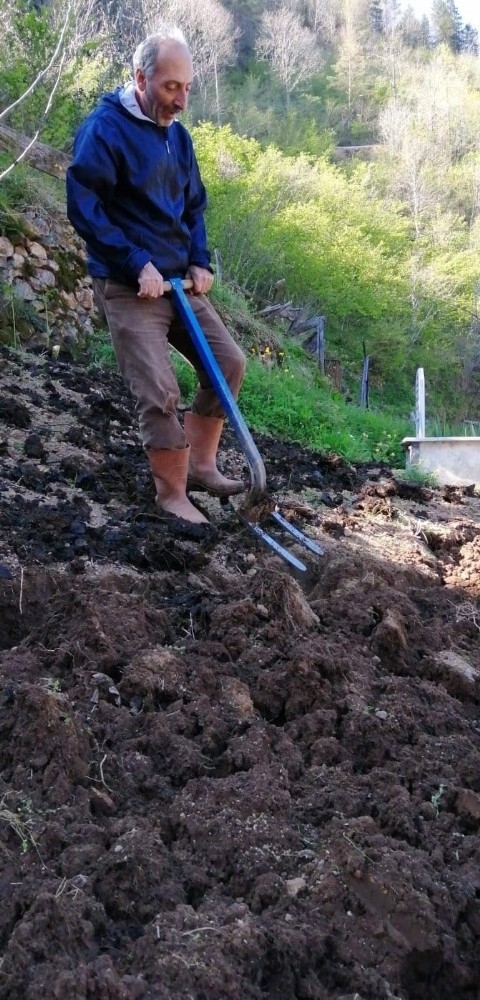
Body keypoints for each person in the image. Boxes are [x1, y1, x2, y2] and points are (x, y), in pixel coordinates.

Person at [66, 26, 246, 527]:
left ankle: (203, 465)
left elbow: (194, 208)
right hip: (131, 286)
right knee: (159, 391)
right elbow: (85, 207)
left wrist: (200, 260)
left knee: (228, 363)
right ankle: (172, 494)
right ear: (141, 79)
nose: (181, 100)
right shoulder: (104, 129)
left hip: (178, 284)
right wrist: (133, 262)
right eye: (171, 88)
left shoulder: (178, 138)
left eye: (187, 88)